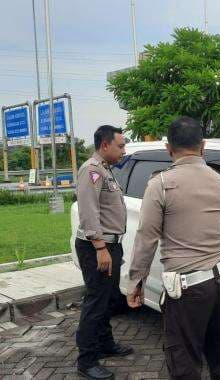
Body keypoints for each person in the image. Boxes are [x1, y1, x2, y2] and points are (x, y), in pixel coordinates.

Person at [127, 116, 220, 379]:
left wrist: (136, 281)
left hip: (188, 289)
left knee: (184, 361)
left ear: (169, 148)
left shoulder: (161, 185)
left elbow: (146, 238)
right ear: (203, 146)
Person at [75, 125, 132, 380]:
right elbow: (88, 211)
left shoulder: (105, 170)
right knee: (95, 301)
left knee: (107, 299)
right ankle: (87, 360)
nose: (124, 150)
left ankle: (105, 343)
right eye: (120, 146)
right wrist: (100, 247)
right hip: (97, 246)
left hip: (110, 244)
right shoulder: (92, 171)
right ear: (105, 145)